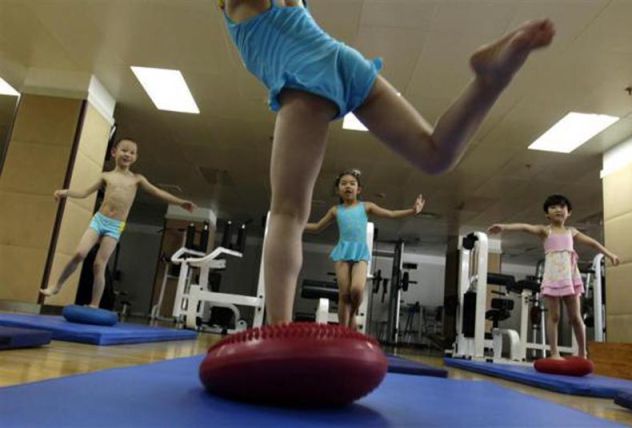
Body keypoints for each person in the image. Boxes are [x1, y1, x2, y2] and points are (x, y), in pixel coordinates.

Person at [219, 0, 555, 323]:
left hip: (306, 76)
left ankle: (279, 330)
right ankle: (489, 80)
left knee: (287, 213)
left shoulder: (237, 7)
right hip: (342, 61)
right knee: (436, 155)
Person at [41, 138, 196, 308]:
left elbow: (157, 192)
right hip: (99, 220)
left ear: (135, 157)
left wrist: (180, 202)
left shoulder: (137, 179)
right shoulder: (106, 176)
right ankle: (57, 286)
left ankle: (94, 304)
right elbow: (84, 192)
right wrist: (64, 192)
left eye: (132, 152)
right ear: (114, 152)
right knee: (79, 254)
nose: (127, 154)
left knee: (99, 264)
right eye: (124, 150)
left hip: (115, 226)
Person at [488, 194, 620, 359]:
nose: (558, 209)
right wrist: (503, 227)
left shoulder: (572, 232)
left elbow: (593, 243)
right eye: (553, 207)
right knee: (554, 316)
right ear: (547, 214)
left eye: (562, 207)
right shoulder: (545, 230)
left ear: (568, 212)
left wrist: (611, 255)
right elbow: (524, 227)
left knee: (576, 317)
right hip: (552, 277)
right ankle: (554, 352)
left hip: (569, 277)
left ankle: (582, 352)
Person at [305, 169, 424, 329]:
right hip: (342, 253)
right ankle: (343, 330)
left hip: (360, 253)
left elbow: (390, 213)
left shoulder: (366, 206)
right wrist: (297, 226)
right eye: (344, 183)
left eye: (352, 184)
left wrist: (412, 210)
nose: (348, 186)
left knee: (356, 290)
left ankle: (353, 313)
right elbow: (318, 227)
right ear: (338, 189)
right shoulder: (335, 210)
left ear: (358, 189)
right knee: (344, 294)